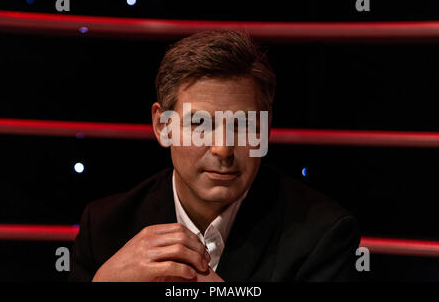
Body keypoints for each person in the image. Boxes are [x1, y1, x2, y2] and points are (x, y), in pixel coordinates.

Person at [69, 30, 360, 282]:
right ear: (163, 126)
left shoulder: (323, 234)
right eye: (200, 124)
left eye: (244, 125)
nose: (223, 149)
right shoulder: (105, 226)